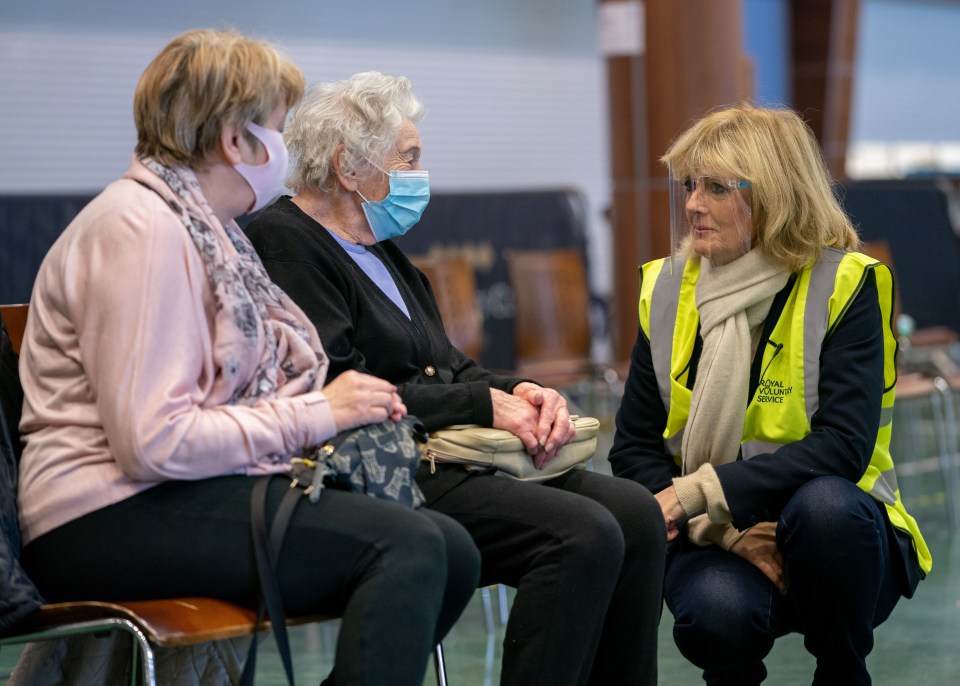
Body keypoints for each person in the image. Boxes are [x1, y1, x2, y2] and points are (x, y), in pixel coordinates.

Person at [15, 30, 480, 686]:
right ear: (237, 141)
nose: (287, 149)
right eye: (279, 127)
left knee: (450, 551)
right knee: (407, 549)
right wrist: (317, 414)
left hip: (180, 490)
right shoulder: (140, 230)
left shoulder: (209, 229)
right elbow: (154, 441)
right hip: (102, 514)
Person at [244, 71, 667, 686]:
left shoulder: (381, 249)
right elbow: (344, 388)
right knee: (583, 533)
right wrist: (479, 404)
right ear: (348, 166)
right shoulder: (286, 243)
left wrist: (519, 390)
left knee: (634, 511)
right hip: (381, 468)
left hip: (447, 455)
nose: (420, 175)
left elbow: (446, 365)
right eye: (408, 158)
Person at [608, 103, 932, 685]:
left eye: (714, 188)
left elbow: (842, 447)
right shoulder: (664, 288)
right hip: (718, 532)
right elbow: (633, 449)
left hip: (835, 536)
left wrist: (694, 494)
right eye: (688, 185)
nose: (691, 205)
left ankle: (842, 674)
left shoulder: (846, 283)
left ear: (773, 195)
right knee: (715, 616)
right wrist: (729, 533)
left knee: (826, 509)